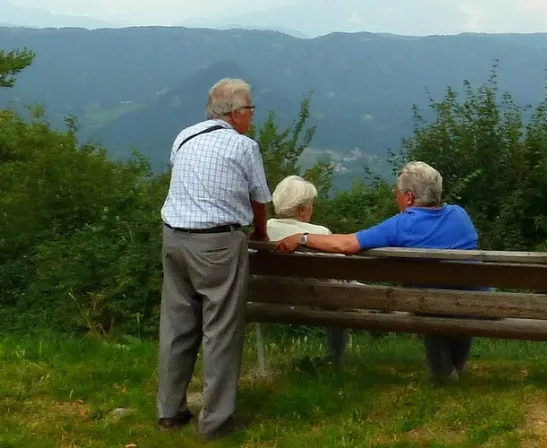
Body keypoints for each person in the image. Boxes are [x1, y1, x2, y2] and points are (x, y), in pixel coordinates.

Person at [275, 161, 479, 379]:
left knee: (428, 302)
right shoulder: (460, 215)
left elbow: (346, 245)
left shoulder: (401, 225)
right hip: (473, 303)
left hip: (428, 305)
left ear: (409, 197)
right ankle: (452, 370)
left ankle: (445, 376)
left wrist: (303, 237)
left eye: (397, 193)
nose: (395, 197)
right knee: (444, 299)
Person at [157, 77, 272, 439]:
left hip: (173, 238)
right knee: (220, 331)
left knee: (177, 327)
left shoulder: (184, 136)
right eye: (250, 108)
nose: (252, 114)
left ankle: (170, 411)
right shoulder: (243, 146)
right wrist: (261, 233)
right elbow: (259, 200)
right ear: (236, 113)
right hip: (218, 244)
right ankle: (216, 422)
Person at [266, 175, 349, 366]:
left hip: (270, 296)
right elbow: (339, 270)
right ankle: (336, 361)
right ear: (302, 210)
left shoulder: (265, 229)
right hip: (319, 298)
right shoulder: (319, 233)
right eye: (311, 205)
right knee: (343, 296)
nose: (313, 209)